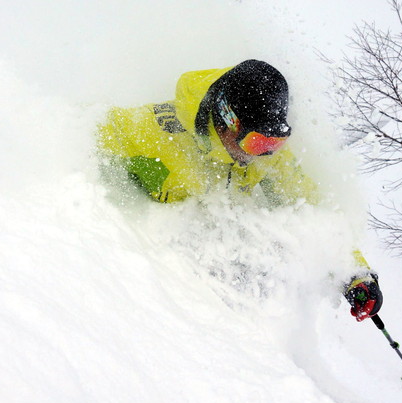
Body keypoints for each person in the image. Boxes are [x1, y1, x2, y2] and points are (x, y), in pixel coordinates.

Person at [97, 59, 382, 321]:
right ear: (227, 119)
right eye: (259, 143)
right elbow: (82, 131)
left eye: (275, 143)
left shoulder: (263, 153)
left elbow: (306, 208)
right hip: (158, 282)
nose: (267, 154)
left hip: (217, 268)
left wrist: (353, 273)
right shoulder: (149, 136)